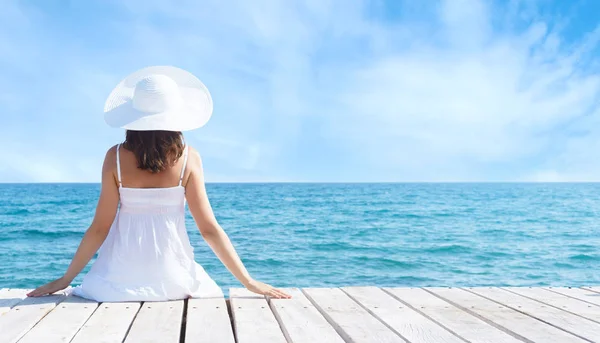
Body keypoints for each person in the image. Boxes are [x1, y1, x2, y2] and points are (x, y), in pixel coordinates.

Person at [28, 66, 291, 301]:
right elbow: (209, 229)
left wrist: (65, 280)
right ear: (176, 116)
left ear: (132, 117)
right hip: (173, 281)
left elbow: (99, 228)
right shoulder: (189, 159)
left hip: (117, 282)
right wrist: (249, 281)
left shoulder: (116, 158)